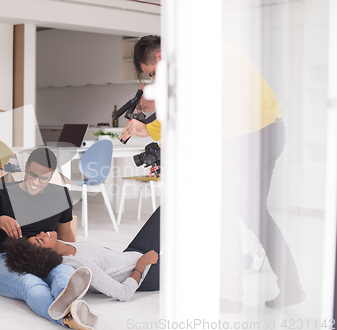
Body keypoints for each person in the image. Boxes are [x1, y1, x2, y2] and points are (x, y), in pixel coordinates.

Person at [123, 35, 304, 310]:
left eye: (153, 74)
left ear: (159, 59)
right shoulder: (204, 51)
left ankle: (230, 296)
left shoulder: (190, 61)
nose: (156, 79)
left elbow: (189, 110)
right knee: (254, 212)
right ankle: (291, 286)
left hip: (248, 137)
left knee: (226, 211)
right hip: (270, 130)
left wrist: (147, 127)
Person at [0, 147, 96, 330]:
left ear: (52, 175)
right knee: (31, 283)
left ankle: (71, 308)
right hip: (6, 259)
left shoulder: (61, 194)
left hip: (46, 257)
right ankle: (67, 318)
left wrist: (85, 256)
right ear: (25, 167)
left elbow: (66, 237)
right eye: (32, 175)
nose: (36, 182)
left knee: (64, 277)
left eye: (44, 178)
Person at [4, 207, 161, 302]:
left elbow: (95, 255)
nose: (42, 233)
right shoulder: (80, 264)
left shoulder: (66, 245)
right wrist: (143, 264)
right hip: (145, 272)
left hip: (131, 255)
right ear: (45, 254)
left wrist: (106, 254)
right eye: (40, 240)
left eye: (37, 236)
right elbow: (123, 293)